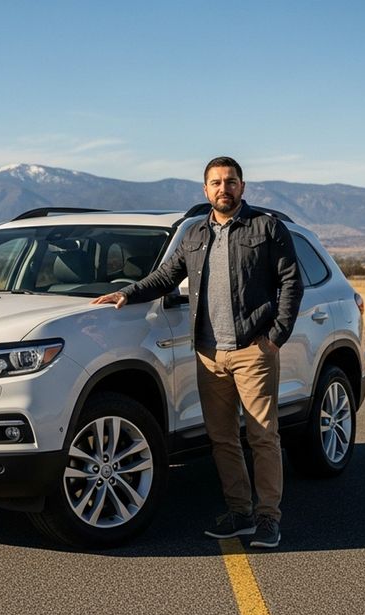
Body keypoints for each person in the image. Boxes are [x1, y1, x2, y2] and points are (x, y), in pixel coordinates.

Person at [90, 156, 303, 548]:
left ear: (242, 186)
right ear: (205, 190)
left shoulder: (266, 228)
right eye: (216, 183)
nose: (224, 188)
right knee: (222, 439)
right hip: (208, 354)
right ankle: (240, 512)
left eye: (231, 181)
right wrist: (126, 293)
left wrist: (274, 336)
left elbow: (291, 282)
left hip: (253, 350)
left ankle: (268, 517)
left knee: (261, 436)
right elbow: (166, 276)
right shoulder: (194, 235)